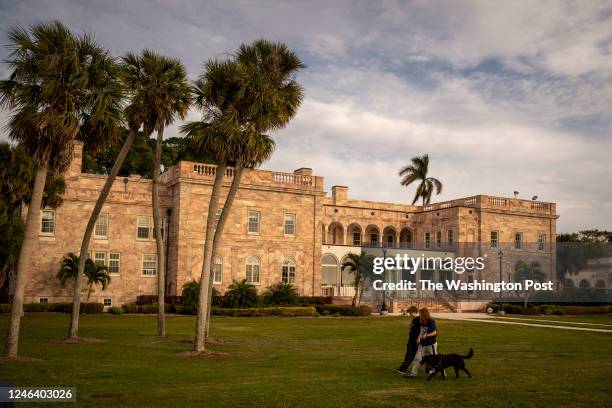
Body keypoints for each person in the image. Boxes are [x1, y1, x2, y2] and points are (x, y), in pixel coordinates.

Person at [405, 307, 440, 379]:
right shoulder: (421, 321)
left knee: (435, 360)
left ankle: (441, 372)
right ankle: (413, 374)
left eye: (420, 314)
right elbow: (421, 331)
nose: (419, 315)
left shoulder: (431, 321)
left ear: (424, 314)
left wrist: (426, 335)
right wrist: (418, 338)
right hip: (422, 344)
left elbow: (434, 332)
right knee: (417, 359)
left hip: (431, 344)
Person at [395, 306, 420, 374]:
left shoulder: (418, 320)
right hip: (411, 339)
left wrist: (418, 339)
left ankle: (403, 368)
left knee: (411, 354)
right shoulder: (414, 319)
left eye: (410, 312)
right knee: (411, 355)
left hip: (415, 340)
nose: (409, 314)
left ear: (414, 312)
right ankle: (403, 368)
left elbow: (420, 331)